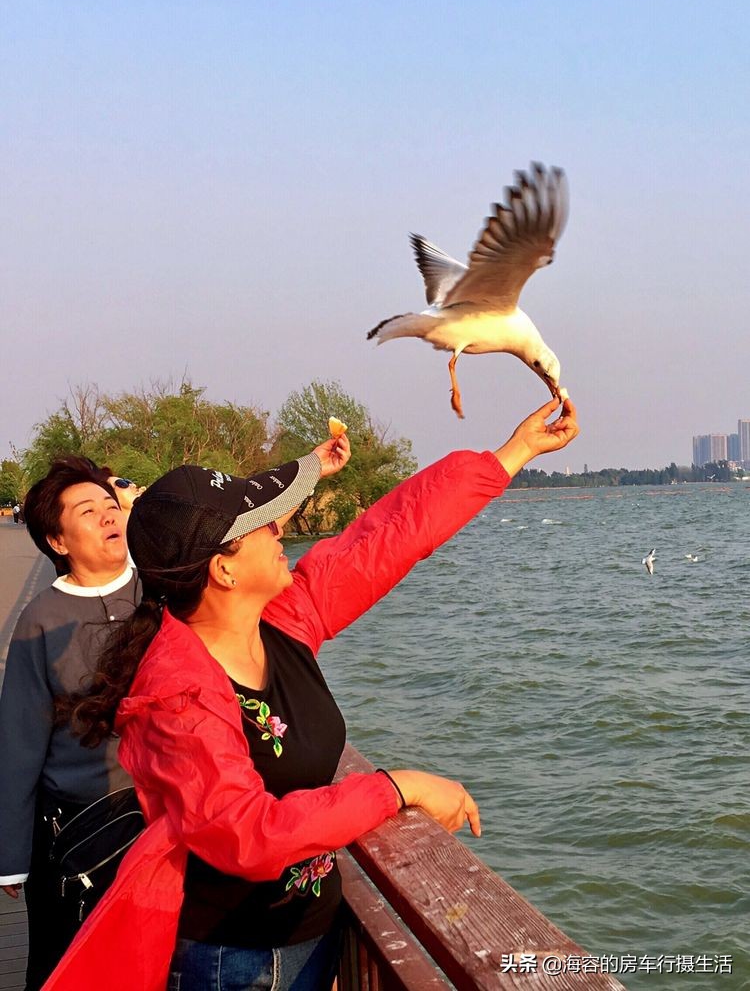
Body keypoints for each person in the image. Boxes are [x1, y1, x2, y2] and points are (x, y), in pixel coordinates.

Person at [46, 397, 578, 991]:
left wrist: (515, 452)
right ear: (222, 570)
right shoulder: (176, 693)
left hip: (314, 938)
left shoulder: (282, 621)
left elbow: (390, 538)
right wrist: (396, 787)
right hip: (233, 962)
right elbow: (247, 832)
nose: (280, 529)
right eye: (261, 523)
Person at [0, 456, 139, 990]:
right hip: (79, 829)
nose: (108, 517)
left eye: (111, 506)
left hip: (161, 819)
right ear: (58, 542)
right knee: (72, 966)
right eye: (88, 511)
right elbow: (19, 742)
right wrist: (11, 855)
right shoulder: (40, 620)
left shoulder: (159, 589)